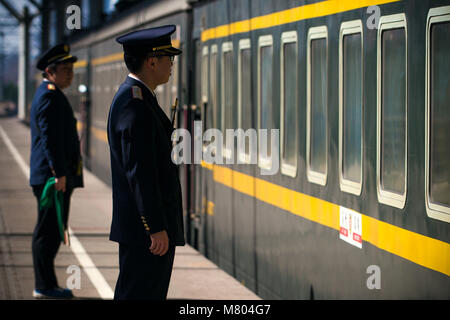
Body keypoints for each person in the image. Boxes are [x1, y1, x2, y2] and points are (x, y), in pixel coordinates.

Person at [107, 25, 185, 300]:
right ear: (152, 61)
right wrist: (155, 226)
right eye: (169, 58)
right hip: (148, 235)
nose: (172, 64)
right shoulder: (134, 103)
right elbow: (139, 172)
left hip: (146, 232)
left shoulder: (137, 98)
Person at [29, 43, 83, 299]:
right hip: (52, 177)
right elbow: (50, 139)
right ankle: (44, 286)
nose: (70, 73)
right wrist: (59, 173)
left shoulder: (49, 93)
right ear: (50, 71)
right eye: (65, 69)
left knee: (50, 231)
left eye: (71, 68)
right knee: (47, 233)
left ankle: (47, 284)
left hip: (52, 175)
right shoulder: (49, 96)